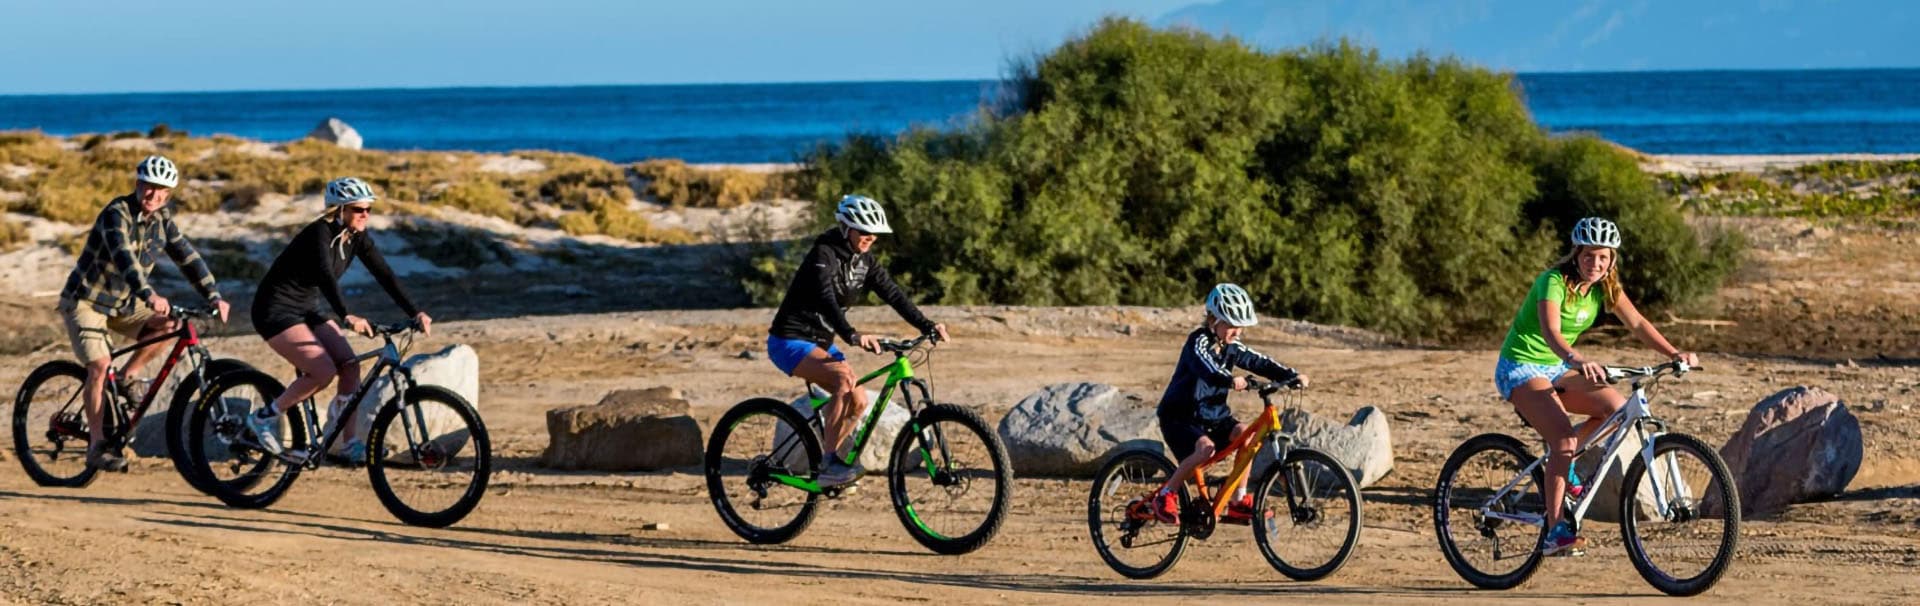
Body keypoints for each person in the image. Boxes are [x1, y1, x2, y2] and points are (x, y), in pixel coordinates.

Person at [1495, 217, 1699, 556]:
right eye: (1589, 256)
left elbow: (1637, 322)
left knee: (1617, 409)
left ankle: (1565, 462)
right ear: (1576, 255)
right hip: (1521, 366)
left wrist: (1674, 353)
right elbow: (1551, 332)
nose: (1596, 264)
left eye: (1603, 257)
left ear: (1612, 259)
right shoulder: (1553, 281)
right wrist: (1577, 360)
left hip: (1558, 367)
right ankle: (1555, 529)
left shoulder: (1606, 287)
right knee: (1561, 438)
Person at [57, 154, 230, 471]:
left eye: (161, 190)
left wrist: (214, 296)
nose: (153, 195)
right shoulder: (116, 213)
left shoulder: (163, 220)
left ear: (168, 194)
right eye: (148, 187)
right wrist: (148, 293)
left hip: (122, 304)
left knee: (170, 325)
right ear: (138, 184)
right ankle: (96, 446)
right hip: (86, 301)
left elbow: (188, 258)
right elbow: (125, 259)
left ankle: (127, 377)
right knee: (98, 365)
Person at [766, 194, 948, 487]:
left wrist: (927, 325)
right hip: (789, 340)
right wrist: (852, 334)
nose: (870, 238)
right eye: (863, 231)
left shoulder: (864, 261)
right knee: (842, 380)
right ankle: (828, 464)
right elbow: (826, 298)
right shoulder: (823, 254)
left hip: (821, 343)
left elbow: (894, 294)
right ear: (845, 228)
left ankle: (831, 458)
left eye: (874, 233)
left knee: (858, 400)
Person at [246, 177, 431, 463]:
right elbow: (325, 276)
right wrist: (347, 315)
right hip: (275, 310)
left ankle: (349, 444)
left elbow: (385, 274)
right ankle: (264, 417)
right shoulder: (318, 233)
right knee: (322, 371)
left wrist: (415, 311)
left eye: (369, 209)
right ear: (340, 209)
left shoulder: (356, 237)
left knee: (350, 365)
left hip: (306, 309)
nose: (365, 215)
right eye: (359, 209)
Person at [1152, 283, 1306, 524]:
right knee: (1205, 450)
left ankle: (1238, 501)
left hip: (1213, 417)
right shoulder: (1198, 342)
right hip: (1180, 417)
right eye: (1232, 325)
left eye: (1240, 326)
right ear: (1214, 320)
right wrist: (1230, 380)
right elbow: (1207, 369)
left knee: (1246, 436)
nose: (1237, 332)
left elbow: (1259, 361)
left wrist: (1291, 375)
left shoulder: (1231, 346)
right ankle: (1165, 494)